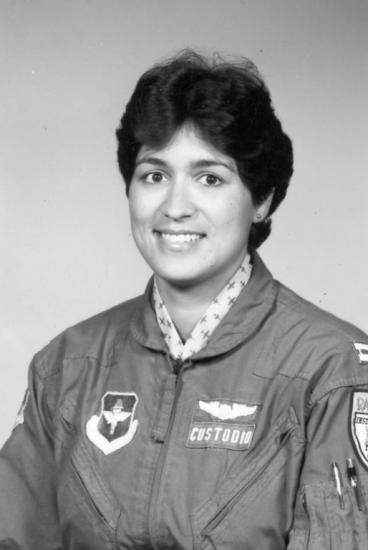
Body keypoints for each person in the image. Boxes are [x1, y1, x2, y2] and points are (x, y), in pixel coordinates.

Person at [1, 50, 368, 550]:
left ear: (261, 200)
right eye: (154, 175)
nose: (175, 207)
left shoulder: (331, 371)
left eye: (210, 178)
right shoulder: (67, 365)